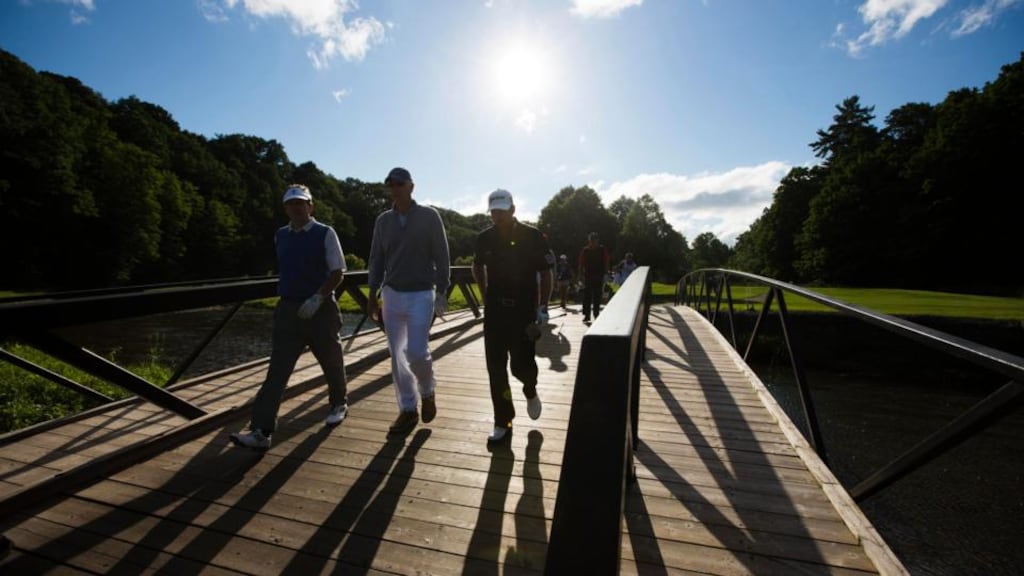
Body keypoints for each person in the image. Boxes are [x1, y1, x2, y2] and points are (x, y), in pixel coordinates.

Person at [230, 184, 349, 450]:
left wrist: (318, 298)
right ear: (285, 208)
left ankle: (339, 402)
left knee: (330, 360)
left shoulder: (325, 233)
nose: (296, 208)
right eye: (291, 204)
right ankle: (261, 431)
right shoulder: (281, 235)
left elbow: (337, 272)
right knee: (277, 371)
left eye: (301, 203)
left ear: (311, 206)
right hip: (288, 310)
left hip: (320, 309)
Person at [367, 167, 451, 437]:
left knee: (416, 352)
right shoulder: (383, 221)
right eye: (390, 185)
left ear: (411, 187)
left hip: (421, 293)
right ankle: (407, 409)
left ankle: (427, 391)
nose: (394, 189)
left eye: (399, 184)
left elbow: (442, 254)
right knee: (397, 355)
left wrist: (443, 291)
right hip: (392, 294)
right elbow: (377, 258)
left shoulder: (429, 216)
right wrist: (372, 294)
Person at [472, 188, 553, 444]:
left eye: (502, 211)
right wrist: (485, 297)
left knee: (521, 366)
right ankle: (503, 421)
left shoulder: (533, 236)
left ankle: (530, 390)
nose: (497, 216)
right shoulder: (484, 238)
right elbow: (477, 265)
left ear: (513, 209)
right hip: (495, 311)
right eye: (494, 212)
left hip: (523, 311)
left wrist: (543, 307)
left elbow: (547, 272)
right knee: (495, 368)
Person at [577, 232, 609, 324]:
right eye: (591, 240)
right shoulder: (585, 250)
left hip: (599, 275)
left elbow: (606, 261)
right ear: (589, 241)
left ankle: (596, 314)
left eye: (594, 240)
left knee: (597, 296)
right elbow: (581, 263)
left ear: (597, 240)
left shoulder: (602, 249)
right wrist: (579, 276)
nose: (593, 242)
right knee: (587, 296)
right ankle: (586, 315)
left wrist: (606, 274)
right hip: (588, 275)